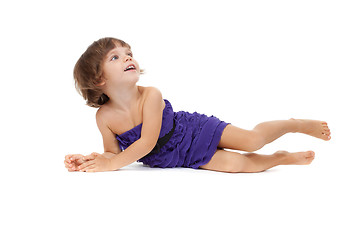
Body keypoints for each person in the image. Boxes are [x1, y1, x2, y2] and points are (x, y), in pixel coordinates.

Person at [64, 37, 331, 173]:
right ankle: (280, 158)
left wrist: (111, 165)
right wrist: (94, 160)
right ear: (98, 79)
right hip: (176, 157)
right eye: (115, 57)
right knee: (239, 167)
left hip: (191, 131)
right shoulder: (104, 117)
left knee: (252, 140)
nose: (127, 58)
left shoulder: (151, 96)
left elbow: (145, 143)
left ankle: (294, 124)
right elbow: (112, 153)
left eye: (128, 53)